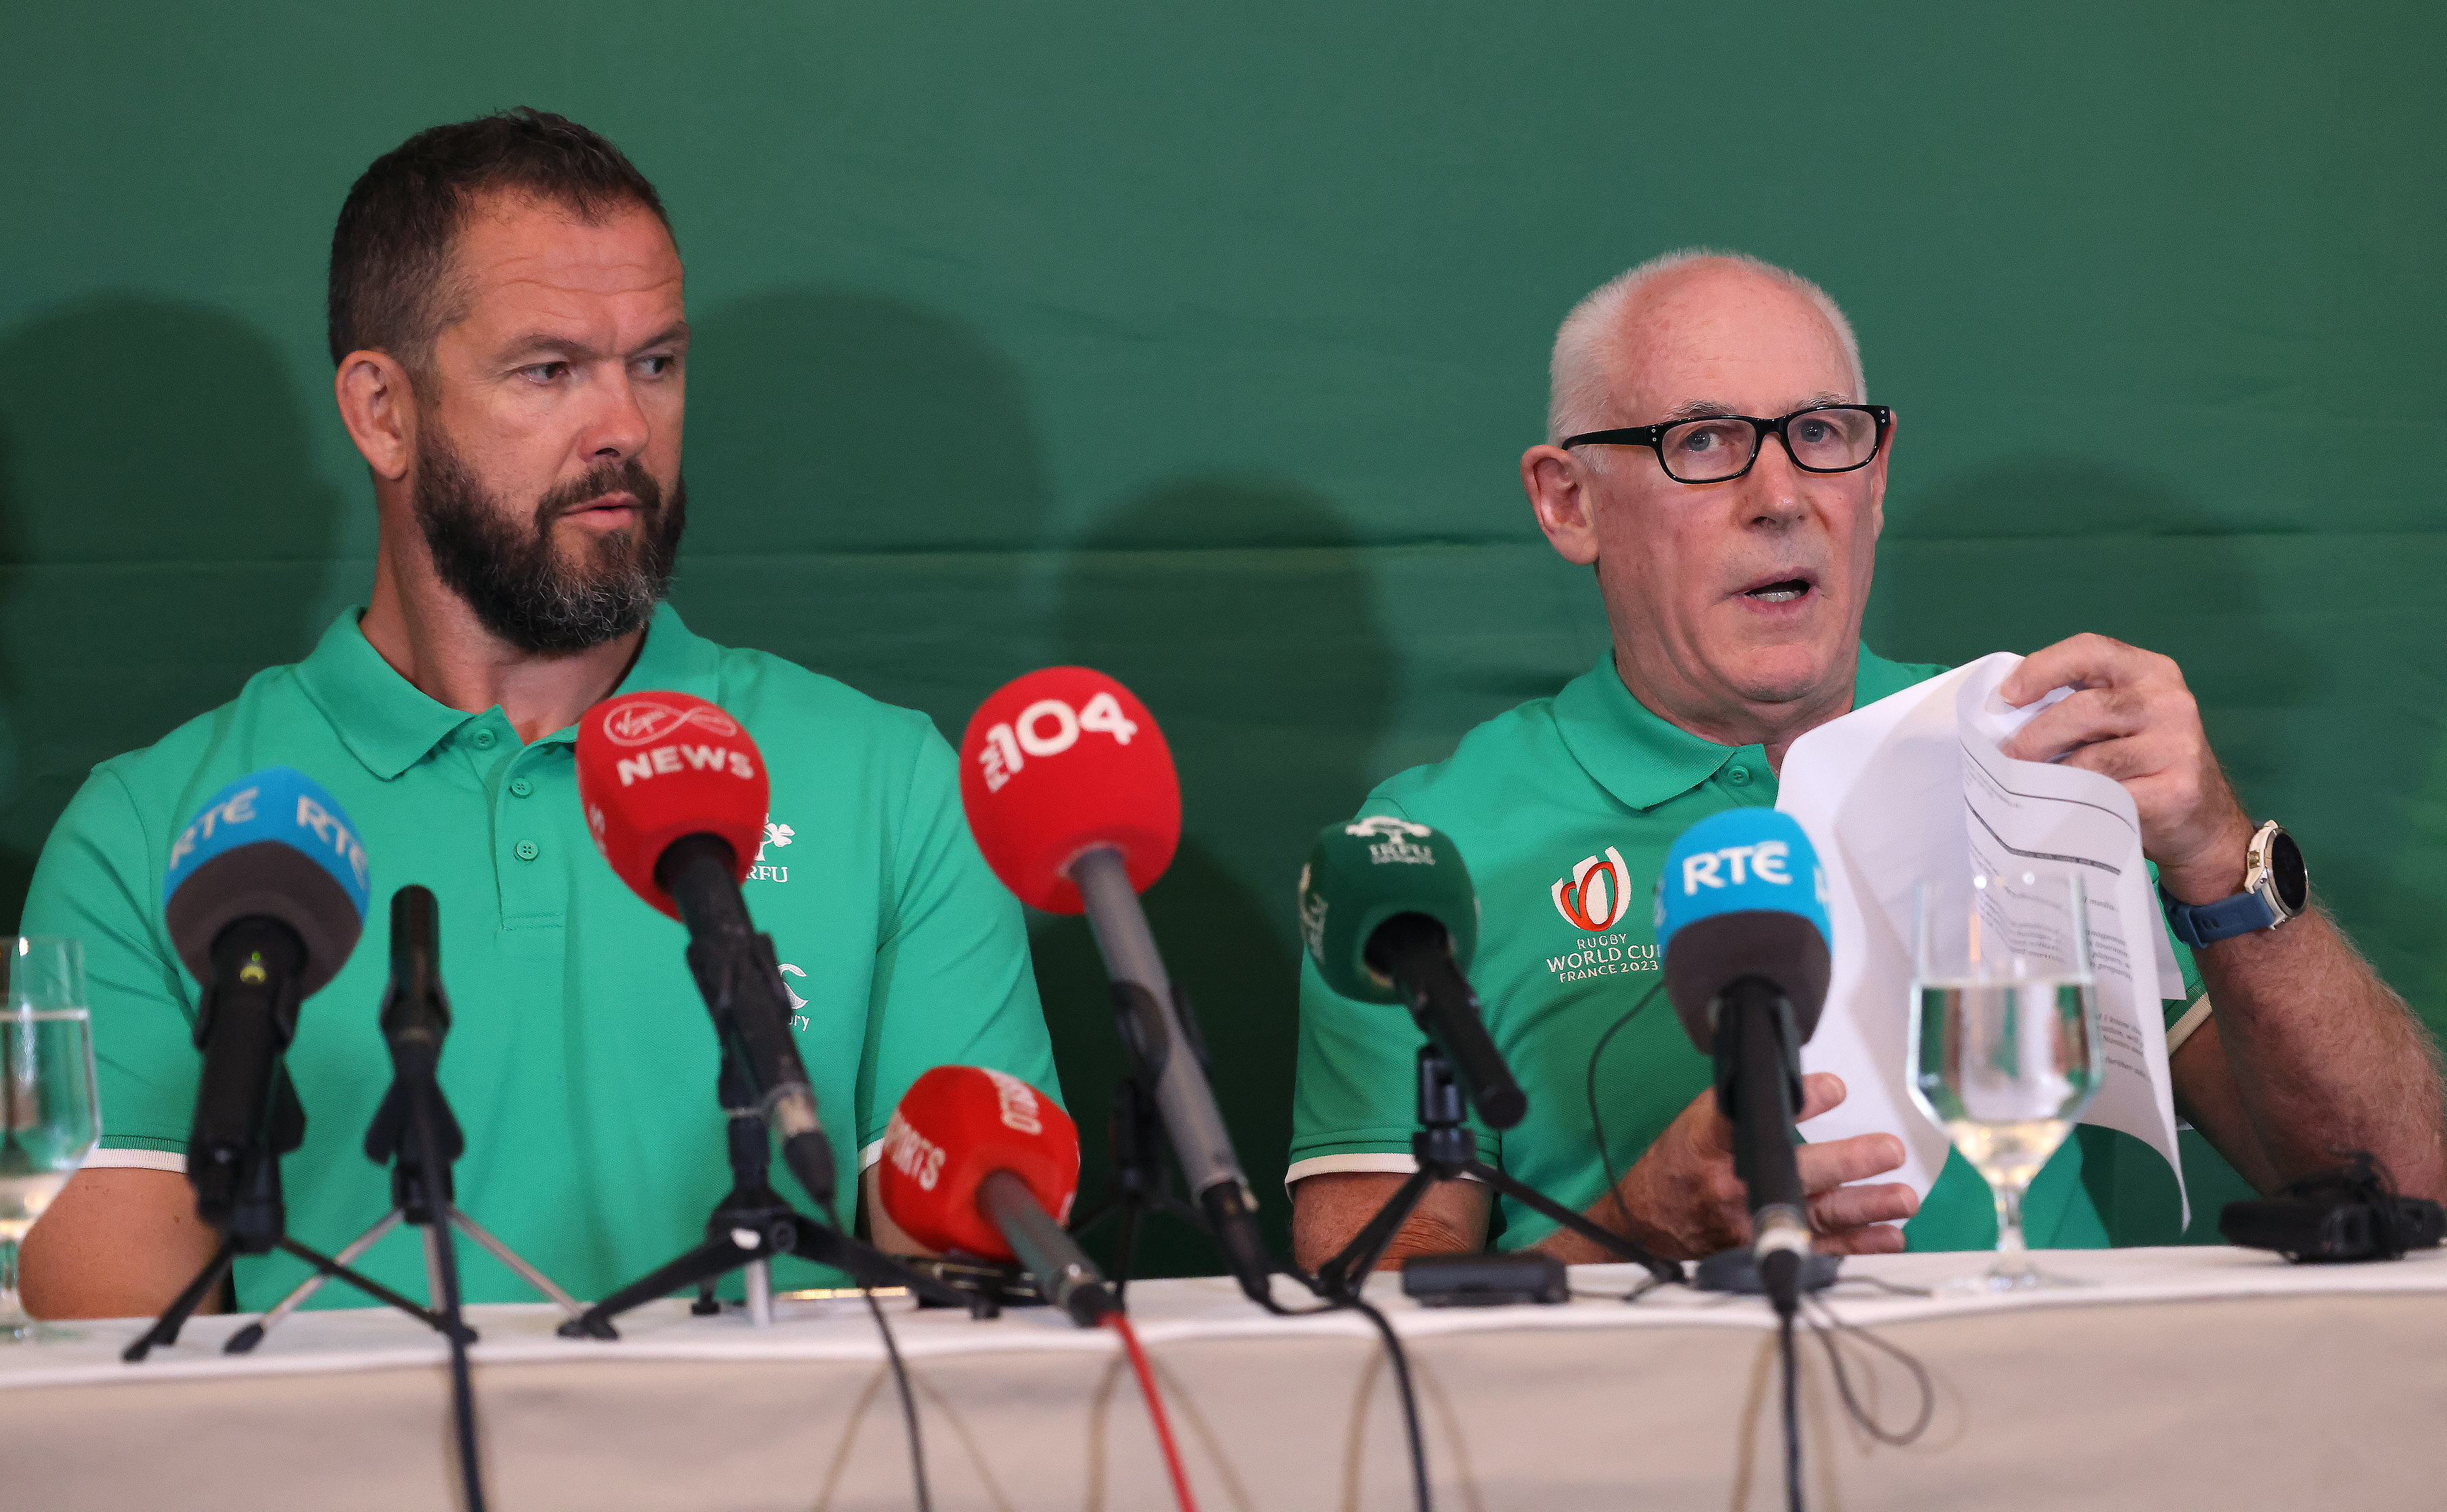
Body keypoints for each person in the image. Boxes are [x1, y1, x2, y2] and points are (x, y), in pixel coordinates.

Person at [20, 110, 1055, 1317]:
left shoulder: (895, 790)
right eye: (549, 370)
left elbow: (978, 1324)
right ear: (381, 413)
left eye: (656, 364)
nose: (623, 427)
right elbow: (115, 1395)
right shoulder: (146, 838)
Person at [1289, 249, 2446, 1269]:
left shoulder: (2033, 753)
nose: (1782, 496)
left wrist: (2211, 855)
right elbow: (1367, 1303)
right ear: (1569, 501)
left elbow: (2407, 1195)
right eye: (1703, 442)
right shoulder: (1426, 856)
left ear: (1876, 477)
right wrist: (1640, 1232)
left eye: (1822, 436)